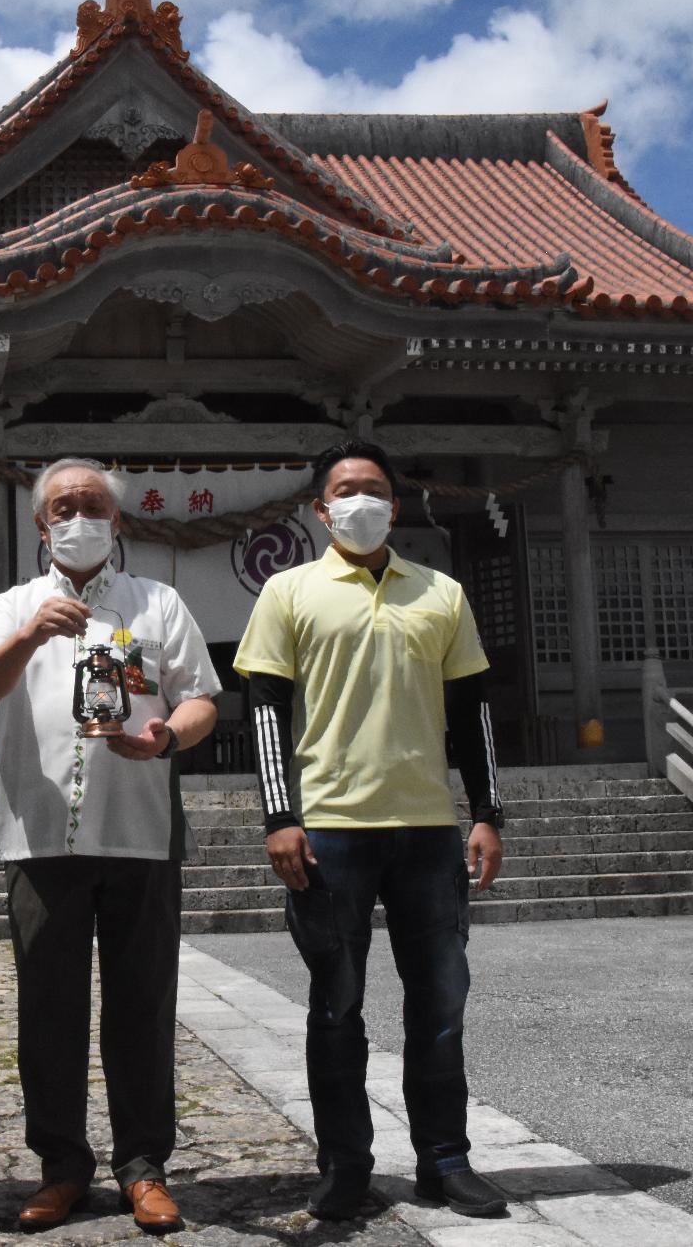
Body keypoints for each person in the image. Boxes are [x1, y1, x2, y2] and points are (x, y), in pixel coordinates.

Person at [232, 439, 508, 1221]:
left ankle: (444, 1158)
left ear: (396, 501)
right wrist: (280, 815)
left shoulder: (440, 594)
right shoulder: (288, 592)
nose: (361, 501)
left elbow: (473, 712)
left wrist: (486, 812)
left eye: (375, 489)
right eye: (346, 490)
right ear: (321, 510)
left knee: (440, 1002)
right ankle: (346, 1165)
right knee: (335, 1005)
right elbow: (262, 710)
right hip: (330, 829)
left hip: (426, 827)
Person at [0, 457, 222, 1233]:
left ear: (117, 523)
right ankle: (62, 1165)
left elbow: (203, 697)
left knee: (142, 1004)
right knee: (49, 1007)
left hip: (138, 831)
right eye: (62, 507)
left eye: (92, 506)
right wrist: (29, 634)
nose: (78, 517)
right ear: (41, 526)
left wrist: (167, 736)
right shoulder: (12, 604)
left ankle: (143, 1165)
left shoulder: (158, 603)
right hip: (40, 835)